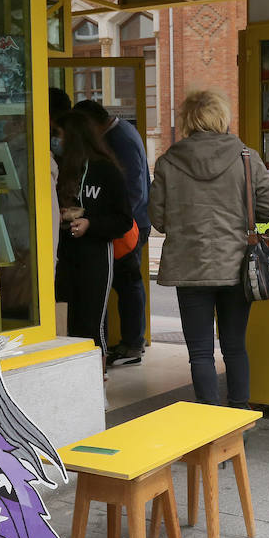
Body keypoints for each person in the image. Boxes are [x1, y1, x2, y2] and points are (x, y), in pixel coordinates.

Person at [149, 89, 269, 407]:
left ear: (188, 120)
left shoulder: (167, 162)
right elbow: (267, 210)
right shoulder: (247, 158)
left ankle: (209, 418)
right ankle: (240, 414)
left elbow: (158, 220)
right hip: (236, 266)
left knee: (200, 352)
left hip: (188, 266)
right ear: (222, 117)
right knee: (235, 346)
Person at [76, 99, 150, 367]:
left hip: (128, 227)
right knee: (125, 284)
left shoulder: (120, 140)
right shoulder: (123, 133)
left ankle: (133, 344)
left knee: (127, 284)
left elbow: (133, 190)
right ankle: (130, 342)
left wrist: (110, 220)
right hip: (128, 223)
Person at [54, 110, 133, 353]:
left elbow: (124, 220)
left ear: (74, 137)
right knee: (66, 323)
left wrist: (91, 224)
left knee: (91, 324)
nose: (56, 141)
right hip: (63, 256)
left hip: (95, 256)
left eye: (59, 135)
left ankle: (98, 372)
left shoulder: (106, 170)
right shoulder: (59, 167)